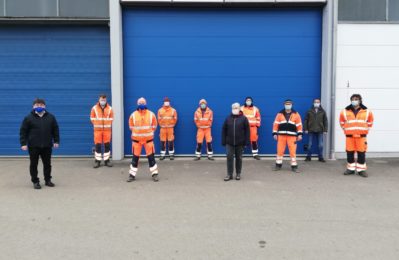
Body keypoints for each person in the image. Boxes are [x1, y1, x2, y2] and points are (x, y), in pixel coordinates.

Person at [20, 98, 60, 189]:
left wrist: (56, 141)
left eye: (41, 105)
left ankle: (47, 180)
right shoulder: (28, 118)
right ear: (33, 106)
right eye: (37, 105)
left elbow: (55, 129)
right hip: (34, 146)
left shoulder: (51, 117)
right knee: (33, 164)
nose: (39, 107)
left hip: (47, 145)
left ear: (44, 106)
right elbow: (23, 131)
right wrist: (23, 143)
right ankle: (35, 181)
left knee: (47, 164)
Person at [339, 94, 374, 177]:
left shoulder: (367, 111)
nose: (354, 100)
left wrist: (365, 130)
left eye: (356, 99)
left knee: (361, 153)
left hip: (361, 136)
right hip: (350, 136)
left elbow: (370, 122)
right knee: (349, 152)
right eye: (353, 99)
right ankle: (350, 169)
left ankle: (361, 170)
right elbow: (341, 122)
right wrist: (346, 130)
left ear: (360, 100)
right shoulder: (344, 111)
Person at [127, 97, 159, 182]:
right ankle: (132, 175)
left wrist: (148, 133)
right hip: (136, 141)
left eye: (143, 102)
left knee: (151, 158)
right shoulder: (133, 115)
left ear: (146, 103)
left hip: (148, 141)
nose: (142, 104)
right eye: (140, 103)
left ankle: (154, 174)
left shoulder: (151, 114)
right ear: (137, 104)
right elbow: (130, 126)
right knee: (135, 158)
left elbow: (155, 126)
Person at [272, 99, 303, 173]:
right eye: (286, 104)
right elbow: (275, 124)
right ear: (284, 104)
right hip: (281, 136)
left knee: (292, 151)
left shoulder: (296, 114)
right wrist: (274, 133)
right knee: (280, 151)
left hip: (292, 136)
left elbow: (299, 125)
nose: (288, 105)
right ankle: (278, 165)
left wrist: (300, 134)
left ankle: (294, 166)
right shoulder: (279, 114)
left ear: (292, 105)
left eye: (289, 104)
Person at [222, 103, 250, 181]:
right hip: (229, 142)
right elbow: (224, 129)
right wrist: (223, 141)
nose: (235, 109)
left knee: (239, 158)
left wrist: (246, 142)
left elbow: (247, 131)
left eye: (236, 108)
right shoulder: (228, 118)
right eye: (233, 108)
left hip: (240, 142)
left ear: (239, 108)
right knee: (229, 157)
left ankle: (238, 174)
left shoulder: (244, 118)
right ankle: (229, 174)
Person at [90, 94, 114, 168]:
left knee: (107, 145)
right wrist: (97, 124)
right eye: (101, 100)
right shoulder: (94, 108)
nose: (102, 101)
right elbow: (92, 117)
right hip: (97, 130)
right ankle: (97, 161)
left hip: (107, 130)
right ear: (99, 100)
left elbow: (112, 118)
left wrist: (107, 124)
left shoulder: (110, 108)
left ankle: (107, 161)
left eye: (104, 100)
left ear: (106, 100)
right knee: (98, 146)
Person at [304, 98, 328, 162]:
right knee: (310, 144)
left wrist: (325, 130)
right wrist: (306, 129)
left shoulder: (323, 111)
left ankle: (320, 157)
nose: (316, 103)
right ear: (313, 103)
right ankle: (308, 156)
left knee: (320, 145)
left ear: (320, 103)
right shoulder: (309, 111)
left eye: (318, 102)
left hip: (320, 130)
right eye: (315, 102)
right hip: (310, 129)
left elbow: (325, 121)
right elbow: (306, 120)